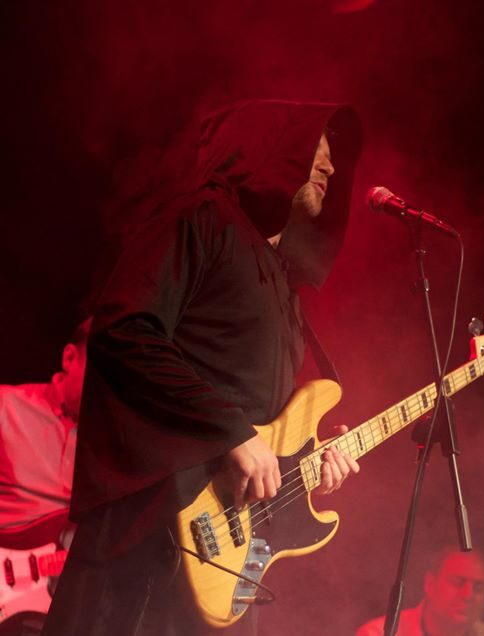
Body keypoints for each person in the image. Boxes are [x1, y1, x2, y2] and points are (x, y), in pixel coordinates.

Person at [41, 100, 363, 636]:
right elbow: (125, 330)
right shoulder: (204, 218)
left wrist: (307, 465)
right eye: (316, 150)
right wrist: (231, 433)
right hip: (153, 534)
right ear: (272, 149)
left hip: (225, 560)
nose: (330, 166)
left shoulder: (283, 283)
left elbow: (263, 433)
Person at [0, 318, 91, 636]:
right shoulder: (5, 407)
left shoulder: (114, 449)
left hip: (46, 603)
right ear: (70, 357)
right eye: (103, 369)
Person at [356, 548, 484, 636]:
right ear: (430, 584)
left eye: (478, 588)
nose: (468, 595)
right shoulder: (378, 633)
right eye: (458, 582)